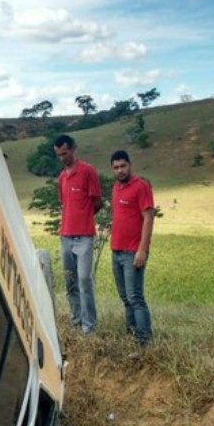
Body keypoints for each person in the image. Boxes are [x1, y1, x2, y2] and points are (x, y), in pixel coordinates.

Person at [54, 134, 102, 334]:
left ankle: (89, 327)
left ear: (73, 149)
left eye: (65, 153)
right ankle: (75, 322)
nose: (62, 158)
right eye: (58, 155)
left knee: (84, 280)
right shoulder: (62, 177)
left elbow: (97, 202)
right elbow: (64, 205)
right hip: (65, 236)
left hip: (84, 236)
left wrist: (83, 218)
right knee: (70, 282)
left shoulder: (88, 171)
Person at [109, 150, 155, 349]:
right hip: (116, 250)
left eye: (123, 166)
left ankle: (144, 342)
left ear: (130, 165)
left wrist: (142, 250)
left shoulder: (140, 186)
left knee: (135, 297)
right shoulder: (116, 188)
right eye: (116, 167)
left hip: (132, 252)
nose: (120, 170)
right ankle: (131, 336)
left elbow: (148, 217)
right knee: (125, 298)